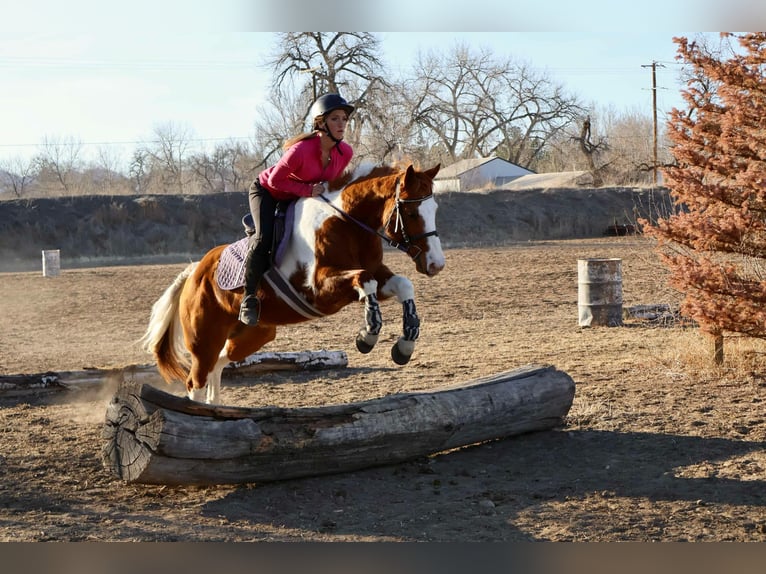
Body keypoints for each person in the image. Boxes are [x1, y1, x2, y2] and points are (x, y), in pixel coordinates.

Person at [239, 93, 355, 325]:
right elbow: (274, 181)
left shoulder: (345, 153)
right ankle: (248, 298)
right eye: (335, 119)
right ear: (321, 123)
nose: (342, 124)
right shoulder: (300, 150)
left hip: (298, 197)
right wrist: (308, 190)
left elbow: (330, 184)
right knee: (263, 238)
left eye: (344, 119)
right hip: (267, 192)